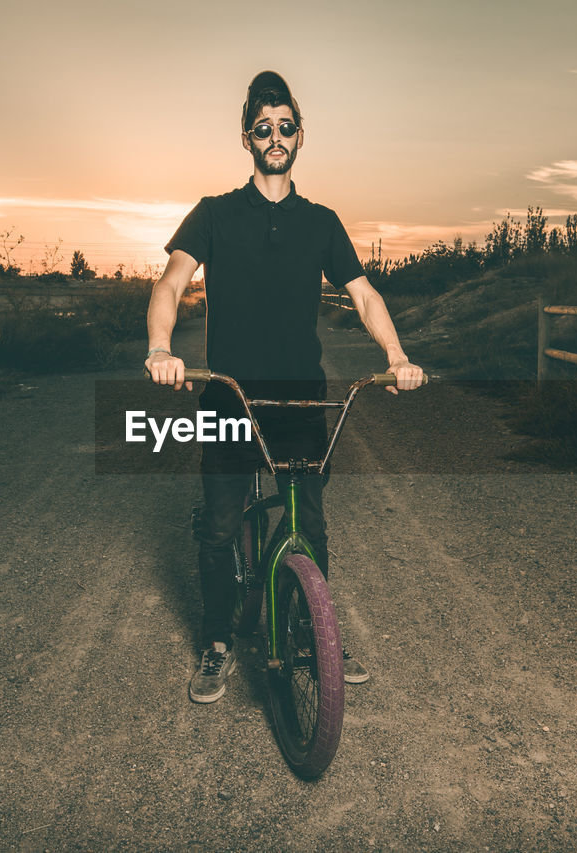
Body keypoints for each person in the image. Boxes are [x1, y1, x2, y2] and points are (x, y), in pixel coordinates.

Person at [145, 70, 425, 703]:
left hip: (301, 400)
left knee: (311, 526)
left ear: (301, 135)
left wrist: (398, 355)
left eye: (286, 125)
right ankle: (217, 640)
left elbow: (364, 294)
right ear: (247, 137)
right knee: (218, 528)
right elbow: (169, 284)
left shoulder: (322, 222)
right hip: (228, 397)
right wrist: (160, 350)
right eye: (263, 127)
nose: (276, 136)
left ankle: (308, 627)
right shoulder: (213, 214)